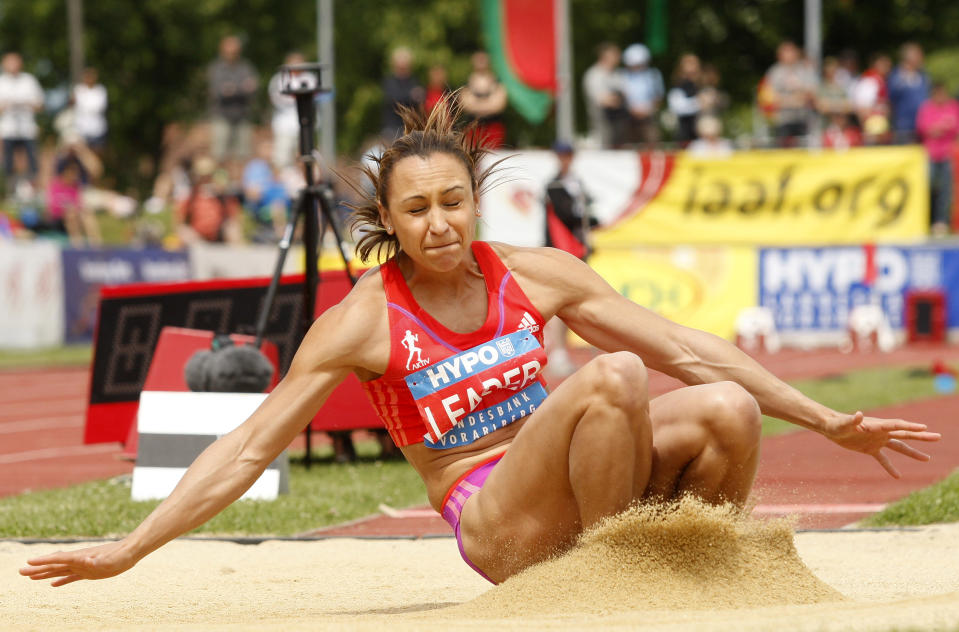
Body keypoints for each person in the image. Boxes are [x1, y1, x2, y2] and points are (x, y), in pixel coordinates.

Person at [21, 98, 940, 588]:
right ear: (387, 220)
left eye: (452, 202)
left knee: (725, 408)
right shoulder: (363, 320)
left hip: (587, 473)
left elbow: (692, 353)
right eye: (414, 210)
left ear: (478, 201)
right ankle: (607, 583)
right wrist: (130, 547)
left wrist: (825, 421)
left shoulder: (537, 273)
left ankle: (691, 581)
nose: (438, 224)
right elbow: (251, 443)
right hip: (494, 517)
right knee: (614, 374)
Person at [544, 141, 598, 376]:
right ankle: (556, 353)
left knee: (572, 302)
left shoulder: (577, 183)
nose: (565, 158)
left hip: (576, 250)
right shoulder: (553, 185)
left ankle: (561, 352)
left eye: (568, 154)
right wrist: (585, 215)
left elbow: (585, 216)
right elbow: (568, 215)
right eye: (561, 154)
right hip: (559, 249)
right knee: (558, 302)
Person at [916, 82, 959, 236]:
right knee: (928, 188)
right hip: (930, 154)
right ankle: (926, 219)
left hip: (947, 154)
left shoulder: (952, 106)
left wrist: (937, 129)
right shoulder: (926, 108)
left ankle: (941, 222)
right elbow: (924, 129)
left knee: (945, 191)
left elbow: (955, 127)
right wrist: (942, 127)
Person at [208, 35, 258, 163]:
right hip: (222, 116)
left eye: (235, 51)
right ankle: (221, 182)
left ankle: (241, 182)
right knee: (220, 155)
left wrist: (232, 89)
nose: (232, 54)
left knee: (244, 156)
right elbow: (219, 91)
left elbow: (252, 87)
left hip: (242, 116)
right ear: (222, 51)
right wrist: (241, 88)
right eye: (229, 51)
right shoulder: (216, 68)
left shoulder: (245, 67)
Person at [173, 156, 243, 245]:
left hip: (218, 234)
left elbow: (234, 217)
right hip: (197, 236)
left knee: (233, 231)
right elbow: (179, 220)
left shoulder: (222, 196)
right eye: (202, 175)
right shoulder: (191, 196)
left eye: (207, 175)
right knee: (185, 233)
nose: (205, 179)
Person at [0, 52, 43, 185]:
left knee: (32, 162)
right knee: (8, 162)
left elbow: (40, 104)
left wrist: (26, 104)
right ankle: (8, 188)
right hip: (8, 129)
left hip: (27, 128)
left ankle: (32, 188)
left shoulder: (29, 80)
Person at [763, 41, 818, 147]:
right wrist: (796, 99)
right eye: (786, 52)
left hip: (803, 118)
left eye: (791, 52)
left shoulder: (805, 70)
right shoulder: (774, 73)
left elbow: (812, 93)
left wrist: (786, 99)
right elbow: (770, 97)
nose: (789, 55)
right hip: (783, 120)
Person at [582, 42, 627, 148]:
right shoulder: (594, 75)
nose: (618, 58)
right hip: (603, 122)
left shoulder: (617, 74)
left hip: (619, 123)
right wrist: (617, 100)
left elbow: (625, 95)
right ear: (605, 56)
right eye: (615, 55)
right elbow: (602, 100)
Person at [460, 51, 508, 149]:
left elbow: (499, 105)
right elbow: (465, 105)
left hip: (493, 128)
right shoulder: (467, 83)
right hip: (473, 128)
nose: (481, 62)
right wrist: (489, 103)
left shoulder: (497, 81)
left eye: (483, 59)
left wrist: (476, 104)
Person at [620, 43, 664, 147]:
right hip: (628, 118)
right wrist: (632, 109)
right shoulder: (622, 75)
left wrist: (648, 110)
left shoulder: (654, 75)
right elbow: (622, 97)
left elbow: (658, 97)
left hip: (649, 117)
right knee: (628, 146)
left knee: (653, 144)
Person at [268, 52, 306, 170]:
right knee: (283, 159)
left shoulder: (308, 78)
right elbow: (277, 98)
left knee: (302, 158)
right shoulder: (279, 79)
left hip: (304, 125)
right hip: (284, 125)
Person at [887, 43, 930, 145]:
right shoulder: (896, 75)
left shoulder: (923, 75)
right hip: (904, 126)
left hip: (922, 125)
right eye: (918, 55)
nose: (921, 58)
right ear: (909, 58)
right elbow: (891, 97)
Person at [381, 47, 423, 140]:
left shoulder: (414, 81)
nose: (403, 70)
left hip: (411, 128)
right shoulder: (389, 81)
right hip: (392, 129)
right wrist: (411, 95)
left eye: (405, 67)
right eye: (401, 67)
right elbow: (393, 98)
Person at [667, 53, 703, 145]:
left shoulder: (702, 85)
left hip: (702, 133)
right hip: (685, 132)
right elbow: (678, 108)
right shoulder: (678, 86)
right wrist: (699, 102)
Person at [72, 67, 108, 152]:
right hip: (81, 130)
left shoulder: (100, 90)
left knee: (96, 154)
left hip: (97, 130)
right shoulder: (78, 89)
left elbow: (98, 107)